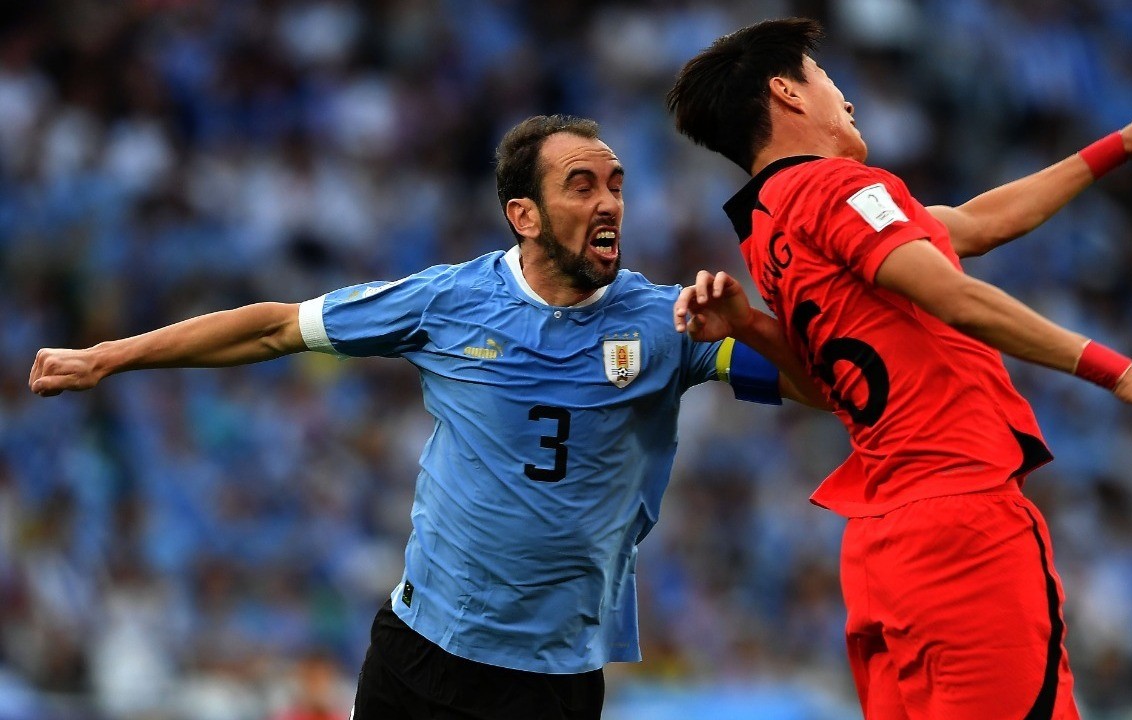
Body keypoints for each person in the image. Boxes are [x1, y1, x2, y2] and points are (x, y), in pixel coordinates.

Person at [28, 114, 821, 720]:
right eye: (582, 184)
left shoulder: (666, 322)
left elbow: (822, 391)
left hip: (556, 680)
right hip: (420, 656)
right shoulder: (448, 302)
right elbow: (275, 326)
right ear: (526, 214)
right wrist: (109, 357)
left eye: (615, 183)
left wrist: (749, 326)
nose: (609, 200)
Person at [666, 18, 1132, 720]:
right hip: (961, 522)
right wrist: (1117, 371)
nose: (845, 96)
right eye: (825, 76)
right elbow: (954, 295)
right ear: (787, 92)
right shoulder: (836, 190)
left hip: (884, 545)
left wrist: (1119, 146)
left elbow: (971, 227)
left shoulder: (769, 230)